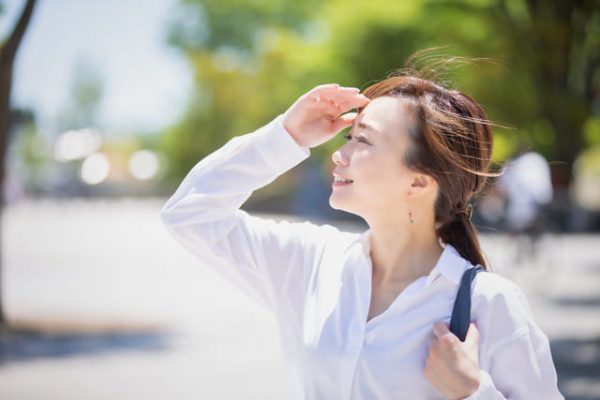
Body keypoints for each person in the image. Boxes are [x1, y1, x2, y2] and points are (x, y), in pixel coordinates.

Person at [161, 70, 564, 398]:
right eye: (347, 137)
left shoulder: (488, 303)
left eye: (363, 140)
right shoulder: (312, 262)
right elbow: (191, 214)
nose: (339, 153)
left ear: (420, 184)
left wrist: (473, 393)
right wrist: (286, 135)